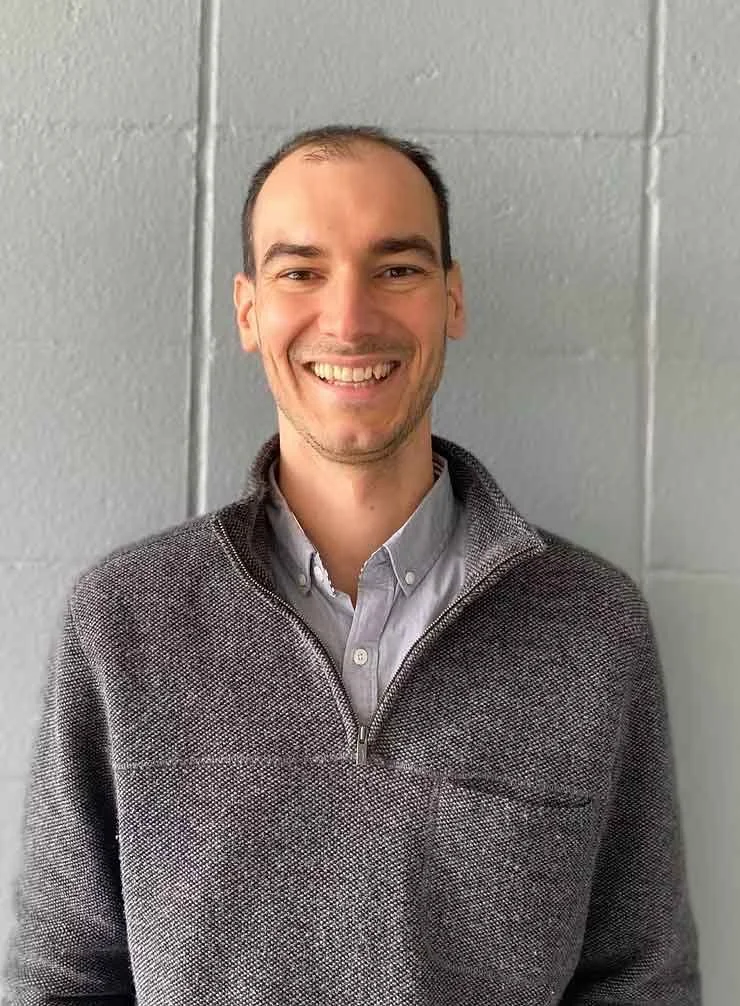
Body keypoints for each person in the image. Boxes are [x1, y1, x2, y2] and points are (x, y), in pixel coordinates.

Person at [4, 124, 700, 1004]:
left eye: (397, 268)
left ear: (452, 299)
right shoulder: (122, 620)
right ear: (249, 312)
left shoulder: (591, 626)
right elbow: (62, 978)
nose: (348, 317)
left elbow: (640, 978)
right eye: (301, 272)